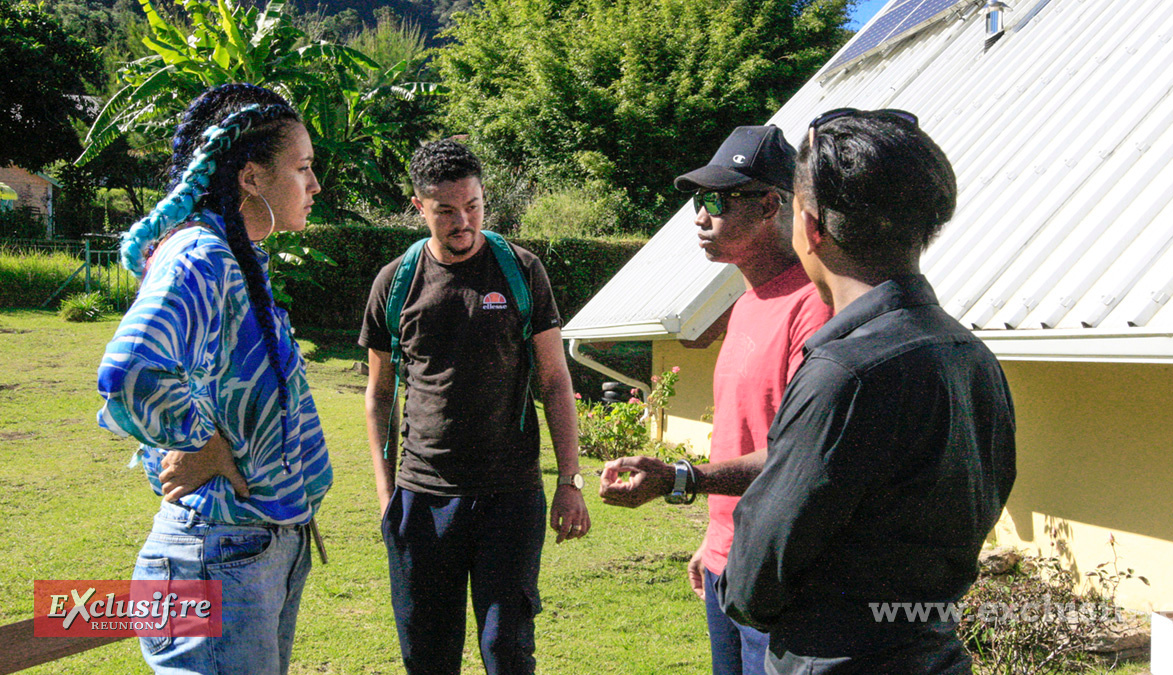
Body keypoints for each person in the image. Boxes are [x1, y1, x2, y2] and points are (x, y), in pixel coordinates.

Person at [715, 108, 1017, 674]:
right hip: (933, 651)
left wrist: (741, 589)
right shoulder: (972, 357)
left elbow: (759, 567)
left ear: (810, 227)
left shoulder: (844, 371)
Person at [97, 83, 332, 674]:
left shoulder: (235, 254)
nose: (315, 185)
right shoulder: (202, 255)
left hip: (251, 551)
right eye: (302, 168)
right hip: (217, 557)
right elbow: (131, 370)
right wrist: (199, 442)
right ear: (250, 177)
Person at [598, 124, 832, 675]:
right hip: (729, 563)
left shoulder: (813, 308)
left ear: (770, 204)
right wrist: (715, 539)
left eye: (715, 200)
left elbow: (796, 458)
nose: (698, 217)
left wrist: (680, 479)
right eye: (696, 202)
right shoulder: (747, 302)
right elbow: (742, 433)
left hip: (777, 576)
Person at [359, 139, 590, 675]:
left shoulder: (521, 271)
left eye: (474, 206)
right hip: (421, 498)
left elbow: (555, 381)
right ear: (419, 207)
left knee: (507, 651)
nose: (463, 222)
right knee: (428, 656)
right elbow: (379, 394)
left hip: (509, 496)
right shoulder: (394, 283)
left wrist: (570, 481)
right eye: (446, 211)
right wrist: (384, 491)